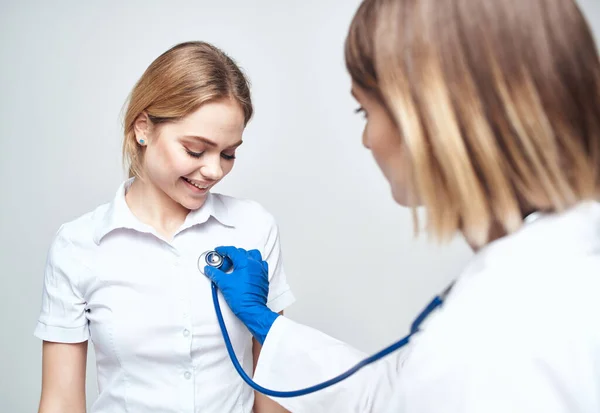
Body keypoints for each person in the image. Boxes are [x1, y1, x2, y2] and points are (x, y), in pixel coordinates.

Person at [204, 0, 600, 411]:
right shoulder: (542, 280)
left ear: (428, 116)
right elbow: (393, 393)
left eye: (365, 110)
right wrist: (268, 326)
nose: (367, 139)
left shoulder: (493, 338)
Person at [34, 41, 295, 413]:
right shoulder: (79, 246)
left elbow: (273, 389)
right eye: (195, 150)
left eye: (228, 153)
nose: (214, 170)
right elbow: (60, 401)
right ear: (143, 128)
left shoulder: (252, 229)